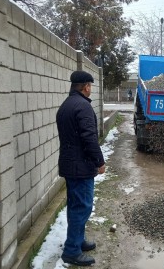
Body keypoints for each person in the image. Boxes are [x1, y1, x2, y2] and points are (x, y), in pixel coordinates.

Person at [56, 70, 106, 266]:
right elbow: (89, 139)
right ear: (86, 86)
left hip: (70, 165)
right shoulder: (83, 107)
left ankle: (77, 241)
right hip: (80, 167)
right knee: (82, 207)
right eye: (90, 86)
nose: (90, 89)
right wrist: (99, 162)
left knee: (76, 206)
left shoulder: (66, 105)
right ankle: (72, 251)